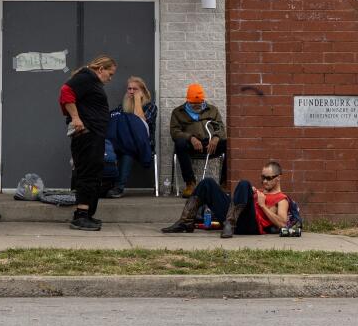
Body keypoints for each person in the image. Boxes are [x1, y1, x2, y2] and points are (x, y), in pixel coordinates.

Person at [59, 55, 117, 231]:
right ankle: (81, 216)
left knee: (94, 172)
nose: (110, 78)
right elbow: (65, 92)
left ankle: (87, 214)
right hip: (87, 134)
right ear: (101, 69)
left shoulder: (91, 80)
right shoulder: (86, 77)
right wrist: (76, 118)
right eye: (110, 73)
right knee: (87, 173)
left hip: (94, 134)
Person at [161, 160, 290, 237]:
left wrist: (262, 205)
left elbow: (283, 224)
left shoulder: (281, 199)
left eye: (268, 178)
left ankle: (229, 224)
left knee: (245, 183)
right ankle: (186, 222)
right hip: (234, 218)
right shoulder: (260, 191)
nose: (264, 181)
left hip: (251, 226)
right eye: (263, 177)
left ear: (278, 178)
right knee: (208, 182)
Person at [170, 83, 226, 197]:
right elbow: (175, 132)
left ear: (203, 100)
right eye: (193, 104)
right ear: (187, 101)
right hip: (191, 145)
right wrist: (190, 138)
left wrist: (216, 137)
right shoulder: (178, 112)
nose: (197, 106)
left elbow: (221, 128)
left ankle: (225, 183)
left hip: (210, 144)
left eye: (199, 104)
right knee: (179, 144)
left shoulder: (212, 110)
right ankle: (190, 184)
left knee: (229, 145)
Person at [106, 76, 157, 198]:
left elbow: (140, 122)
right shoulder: (121, 107)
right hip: (121, 143)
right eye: (129, 89)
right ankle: (104, 185)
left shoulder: (151, 107)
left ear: (143, 91)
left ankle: (118, 187)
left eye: (135, 89)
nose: (131, 92)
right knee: (105, 148)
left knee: (127, 151)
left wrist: (138, 101)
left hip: (142, 146)